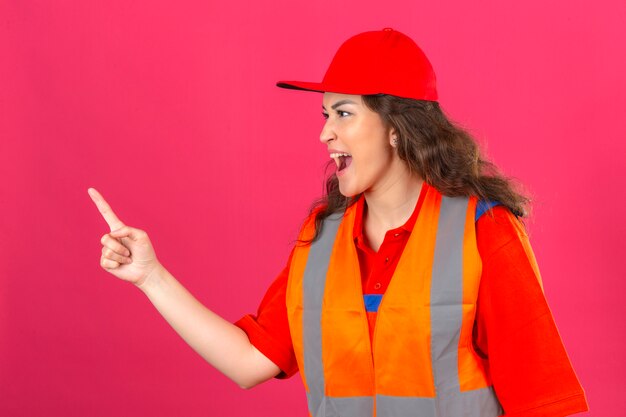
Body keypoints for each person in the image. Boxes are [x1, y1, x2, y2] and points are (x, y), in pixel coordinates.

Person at [89, 28, 589, 417]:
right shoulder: (322, 237)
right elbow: (248, 364)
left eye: (343, 113)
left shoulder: (483, 230)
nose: (326, 133)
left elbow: (543, 401)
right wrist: (151, 277)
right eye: (325, 115)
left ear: (396, 127)